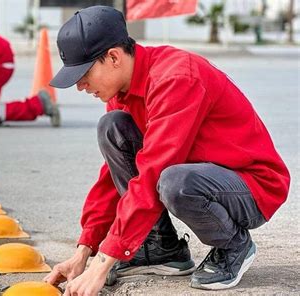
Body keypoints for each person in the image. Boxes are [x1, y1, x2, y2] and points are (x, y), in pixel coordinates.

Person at [44, 6, 290, 295]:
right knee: (112, 126)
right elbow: (113, 179)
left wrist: (102, 265)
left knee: (175, 182)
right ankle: (160, 248)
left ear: (113, 57)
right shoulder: (121, 91)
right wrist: (85, 251)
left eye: (83, 73)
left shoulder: (176, 78)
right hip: (194, 174)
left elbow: (152, 173)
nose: (80, 86)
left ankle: (234, 244)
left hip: (252, 185)